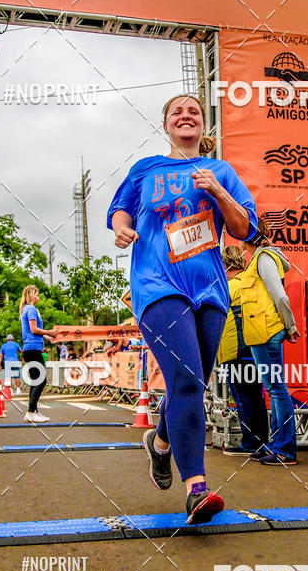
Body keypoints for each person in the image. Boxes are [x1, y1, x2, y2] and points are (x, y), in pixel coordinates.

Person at [108, 93, 257, 524]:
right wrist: (122, 230)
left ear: (202, 125)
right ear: (167, 124)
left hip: (209, 289)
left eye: (194, 110)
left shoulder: (222, 171)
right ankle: (197, 488)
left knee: (188, 384)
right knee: (189, 379)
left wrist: (218, 193)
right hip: (157, 285)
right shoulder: (146, 169)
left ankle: (160, 442)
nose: (186, 115)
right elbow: (120, 210)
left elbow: (244, 228)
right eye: (178, 111)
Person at [239, 219, 300, 465]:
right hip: (261, 333)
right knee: (274, 390)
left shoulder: (264, 258)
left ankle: (284, 448)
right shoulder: (259, 259)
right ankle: (277, 445)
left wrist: (290, 326)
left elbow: (279, 295)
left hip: (266, 332)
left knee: (276, 389)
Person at [217, 246, 269, 456]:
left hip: (235, 350)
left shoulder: (228, 288)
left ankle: (250, 443)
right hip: (255, 348)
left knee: (243, 398)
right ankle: (261, 441)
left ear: (227, 264)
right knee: (255, 397)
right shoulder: (251, 283)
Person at [20, 285, 56, 423]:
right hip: (33, 348)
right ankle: (30, 412)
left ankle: (33, 411)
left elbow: (33, 331)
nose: (38, 297)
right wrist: (49, 332)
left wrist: (48, 338)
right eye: (36, 294)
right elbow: (34, 329)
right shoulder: (31, 309)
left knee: (36, 380)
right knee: (41, 380)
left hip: (30, 348)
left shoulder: (26, 309)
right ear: (30, 295)